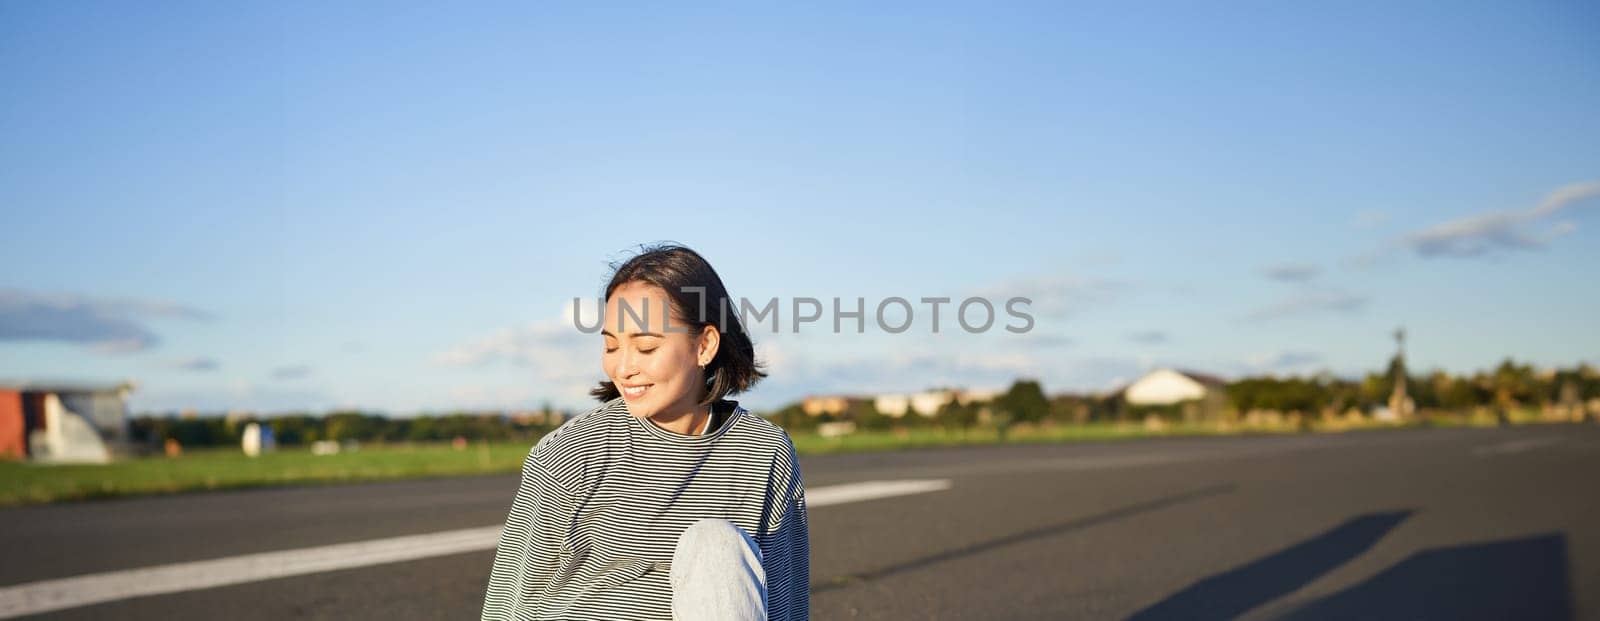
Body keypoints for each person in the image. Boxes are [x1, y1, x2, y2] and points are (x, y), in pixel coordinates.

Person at [481, 244, 809, 621]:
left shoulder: (764, 450)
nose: (622, 368)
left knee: (716, 544)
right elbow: (508, 602)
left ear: (704, 345)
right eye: (610, 345)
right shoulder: (570, 452)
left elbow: (785, 603)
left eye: (646, 346)